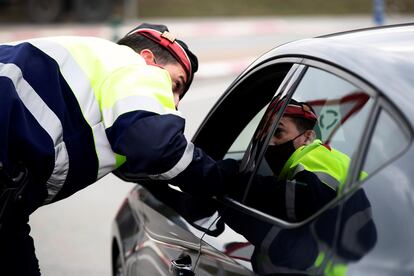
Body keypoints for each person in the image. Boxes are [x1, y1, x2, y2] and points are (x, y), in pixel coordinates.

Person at [0, 23, 238, 275]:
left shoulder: (90, 72)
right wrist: (222, 179)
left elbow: (134, 161)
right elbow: (153, 146)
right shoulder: (135, 67)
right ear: (148, 58)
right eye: (177, 85)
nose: (175, 102)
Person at [222, 97, 376, 275]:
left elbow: (300, 199)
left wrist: (228, 181)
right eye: (265, 135)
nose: (269, 142)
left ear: (307, 137)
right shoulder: (333, 161)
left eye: (278, 132)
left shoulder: (312, 158)